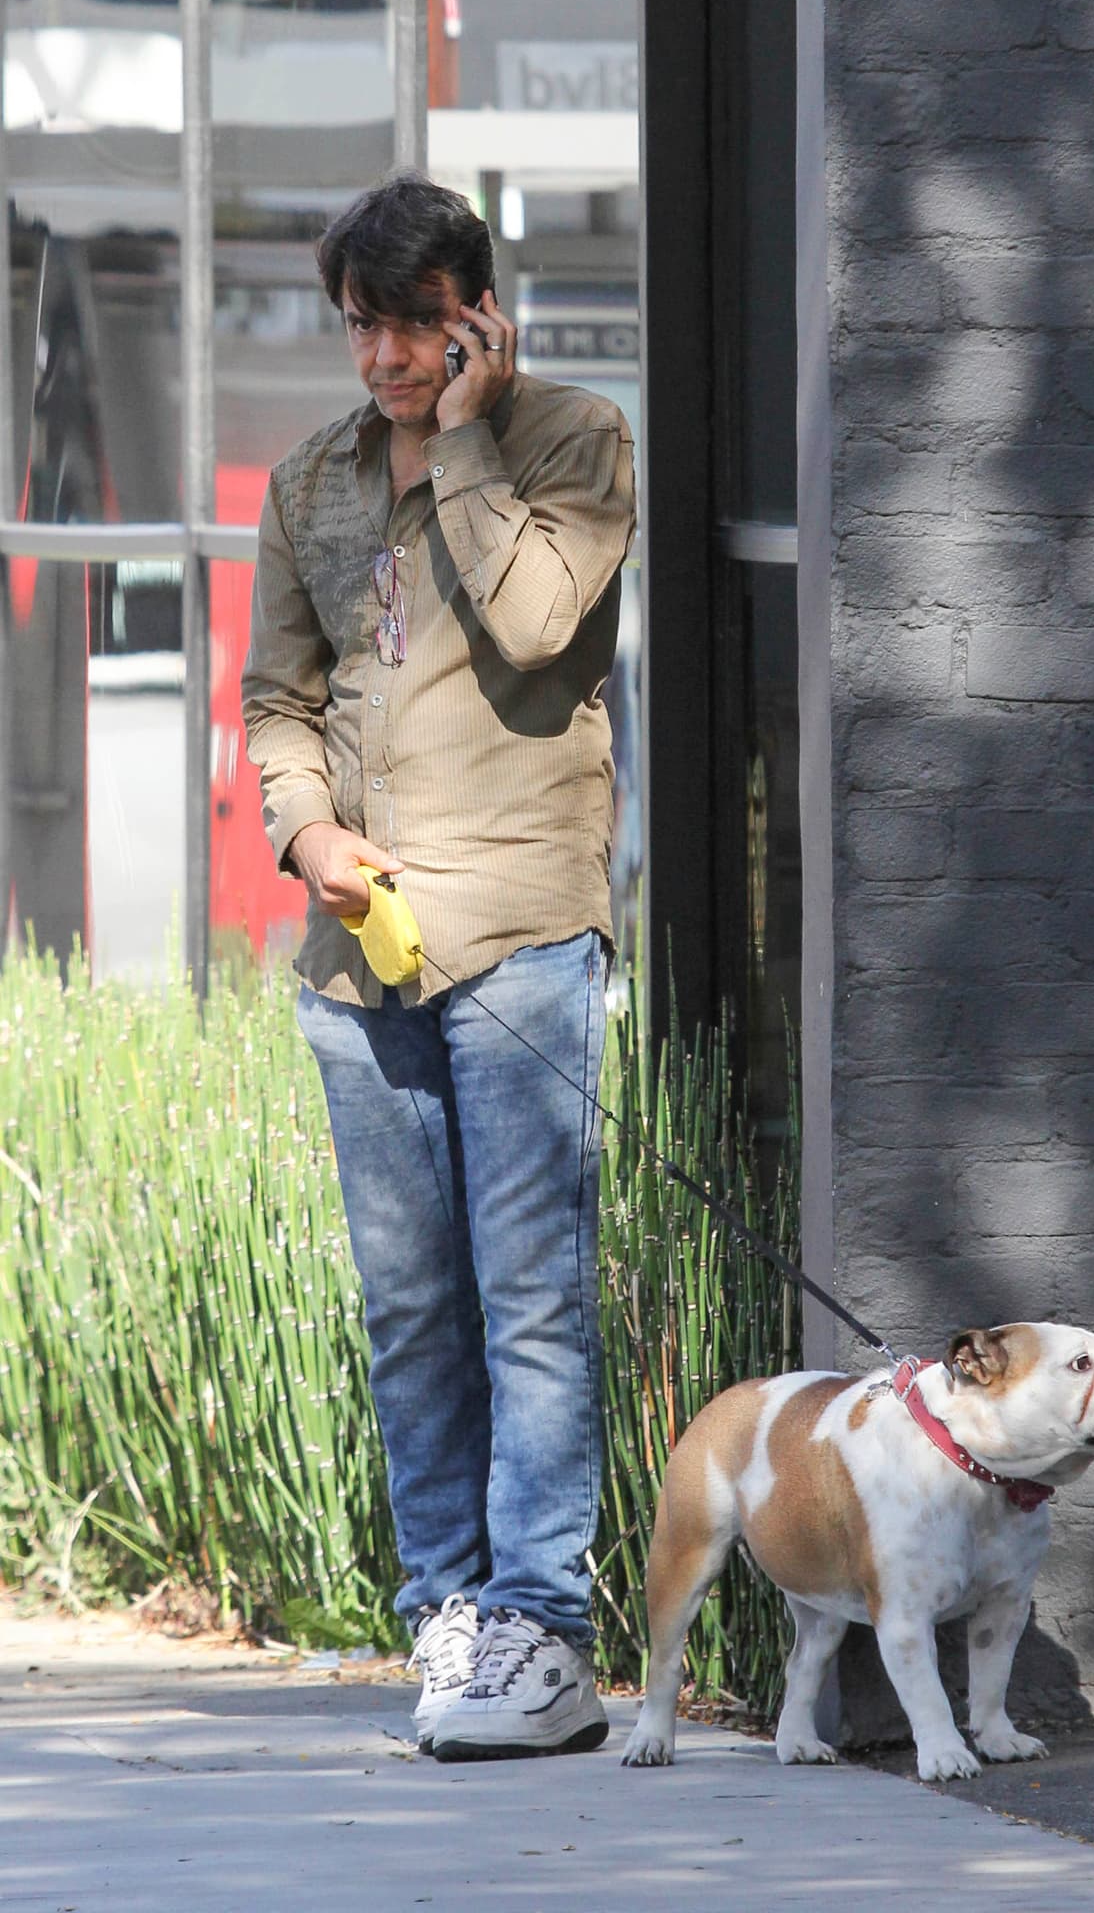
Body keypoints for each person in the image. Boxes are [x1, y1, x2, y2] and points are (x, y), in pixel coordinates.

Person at [241, 172, 635, 1761]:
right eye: (365, 327)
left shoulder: (572, 441)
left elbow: (540, 625)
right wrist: (305, 837)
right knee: (411, 1308)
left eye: (418, 325)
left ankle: (543, 1631)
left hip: (520, 934)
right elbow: (279, 696)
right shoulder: (307, 483)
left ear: (477, 310)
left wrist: (465, 437)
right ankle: (449, 1617)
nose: (389, 358)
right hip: (361, 951)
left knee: (529, 1300)